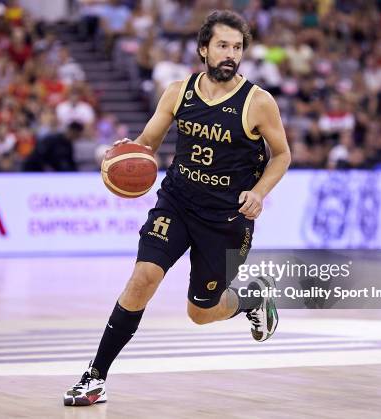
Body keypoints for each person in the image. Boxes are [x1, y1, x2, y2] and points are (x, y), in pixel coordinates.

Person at [63, 10, 291, 407]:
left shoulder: (258, 102)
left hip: (226, 219)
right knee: (142, 280)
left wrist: (258, 192)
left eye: (236, 48)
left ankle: (252, 299)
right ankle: (95, 377)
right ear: (204, 48)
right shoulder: (178, 91)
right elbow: (147, 142)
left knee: (201, 313)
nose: (230, 54)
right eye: (222, 46)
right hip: (177, 202)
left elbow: (282, 155)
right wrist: (122, 154)